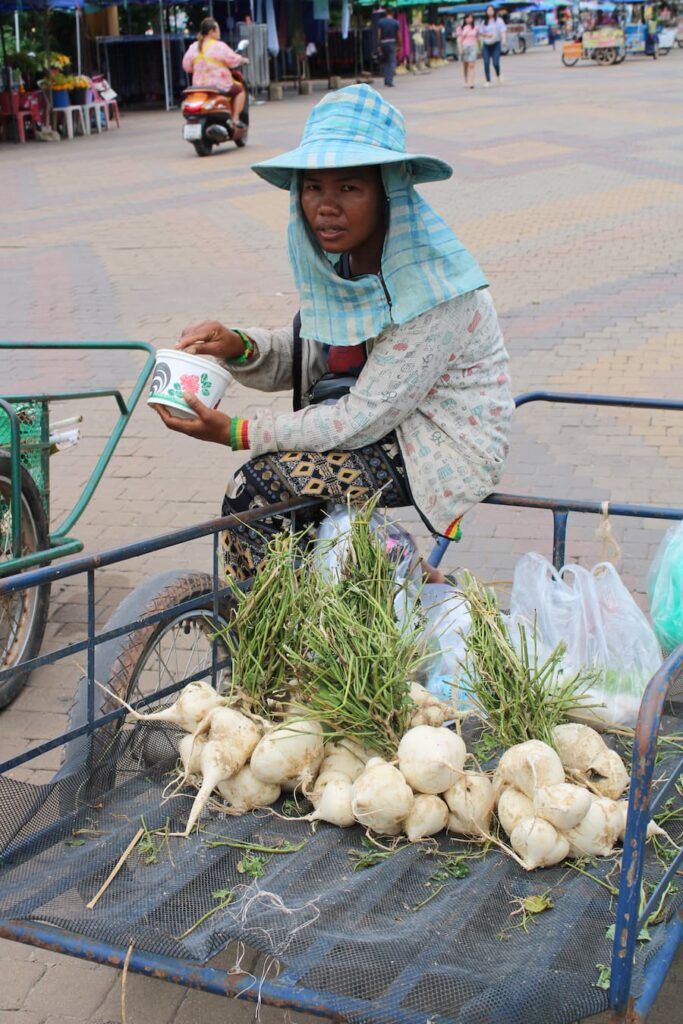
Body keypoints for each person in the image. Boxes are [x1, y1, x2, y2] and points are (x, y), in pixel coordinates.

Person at [155, 86, 514, 582]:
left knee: (260, 484)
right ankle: (319, 613)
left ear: (389, 193)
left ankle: (273, 636)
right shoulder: (343, 266)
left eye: (349, 188)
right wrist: (237, 345)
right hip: (375, 421)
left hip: (432, 443)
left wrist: (239, 432)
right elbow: (313, 352)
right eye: (312, 187)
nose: (325, 207)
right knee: (287, 509)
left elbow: (358, 420)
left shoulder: (435, 294)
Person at [181, 17, 249, 127]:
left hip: (198, 86)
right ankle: (235, 119)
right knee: (240, 90)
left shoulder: (193, 47)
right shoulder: (219, 46)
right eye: (217, 29)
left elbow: (186, 66)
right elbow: (232, 59)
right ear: (211, 32)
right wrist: (243, 60)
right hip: (219, 85)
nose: (219, 32)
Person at [479, 5, 506, 86]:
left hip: (496, 43)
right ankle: (488, 80)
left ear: (494, 11)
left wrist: (504, 40)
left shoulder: (499, 20)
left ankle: (498, 74)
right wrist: (486, 35)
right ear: (486, 12)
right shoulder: (483, 22)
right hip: (486, 44)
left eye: (491, 9)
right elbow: (480, 32)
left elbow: (503, 31)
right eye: (488, 10)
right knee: (486, 62)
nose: (490, 11)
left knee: (495, 62)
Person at [376, 6, 400, 86]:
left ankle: (386, 80)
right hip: (392, 42)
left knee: (385, 61)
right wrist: (400, 45)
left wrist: (378, 44)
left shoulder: (381, 22)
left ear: (386, 13)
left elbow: (379, 34)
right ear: (392, 13)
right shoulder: (396, 22)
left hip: (383, 43)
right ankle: (390, 80)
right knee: (392, 62)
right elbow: (398, 35)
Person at [457, 14, 480, 88]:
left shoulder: (475, 28)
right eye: (467, 18)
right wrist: (460, 48)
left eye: (471, 18)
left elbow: (477, 38)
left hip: (473, 46)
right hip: (464, 46)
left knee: (471, 64)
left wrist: (479, 48)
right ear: (465, 19)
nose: (469, 19)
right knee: (465, 65)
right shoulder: (461, 28)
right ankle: (465, 80)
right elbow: (459, 39)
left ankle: (472, 82)